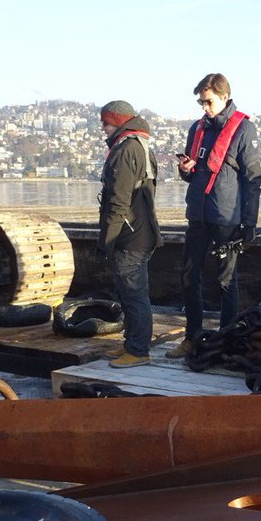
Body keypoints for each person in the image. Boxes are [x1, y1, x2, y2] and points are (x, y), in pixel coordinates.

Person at [169, 73, 261, 359]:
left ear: (224, 96)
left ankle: (226, 342)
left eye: (208, 101)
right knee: (189, 276)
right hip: (198, 215)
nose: (205, 107)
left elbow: (252, 179)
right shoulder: (196, 130)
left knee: (226, 281)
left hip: (226, 219)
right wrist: (185, 170)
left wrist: (250, 223)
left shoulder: (244, 130)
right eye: (201, 102)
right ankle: (192, 338)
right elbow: (193, 175)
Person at [97, 100, 161, 369]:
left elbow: (117, 202)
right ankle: (131, 344)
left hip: (129, 235)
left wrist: (106, 241)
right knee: (130, 293)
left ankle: (138, 350)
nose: (103, 129)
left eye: (106, 123)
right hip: (141, 232)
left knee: (134, 294)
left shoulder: (125, 151)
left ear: (118, 121)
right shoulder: (141, 146)